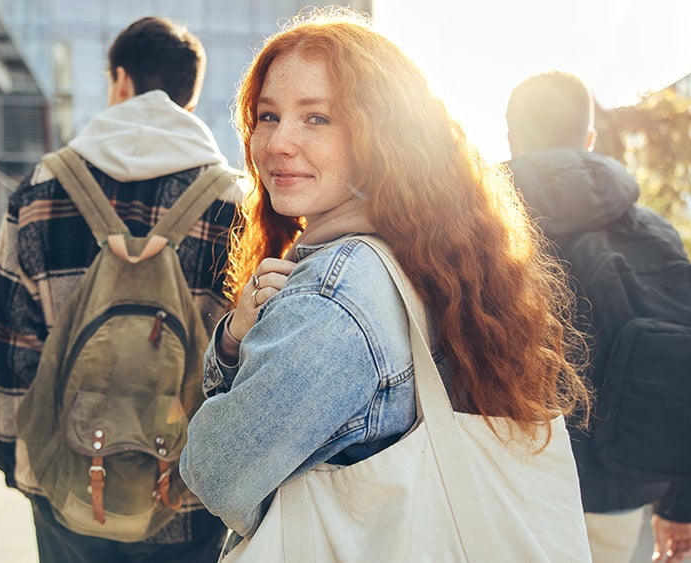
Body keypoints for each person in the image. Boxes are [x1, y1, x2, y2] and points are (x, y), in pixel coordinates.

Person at [178, 6, 590, 553]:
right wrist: (237, 339)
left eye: (316, 118)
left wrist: (230, 348)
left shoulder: (335, 295)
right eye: (268, 115)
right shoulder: (427, 252)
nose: (277, 143)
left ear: (382, 136)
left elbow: (217, 472)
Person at [0, 16, 238, 563]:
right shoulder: (233, 203)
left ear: (120, 81)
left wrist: (15, 461)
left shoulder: (40, 189)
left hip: (69, 483)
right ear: (187, 101)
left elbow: (13, 344)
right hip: (186, 492)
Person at [505, 70, 691, 563]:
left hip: (509, 485)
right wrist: (682, 503)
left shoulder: (479, 227)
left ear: (510, 137)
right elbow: (685, 364)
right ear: (589, 140)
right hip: (621, 486)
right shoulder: (653, 230)